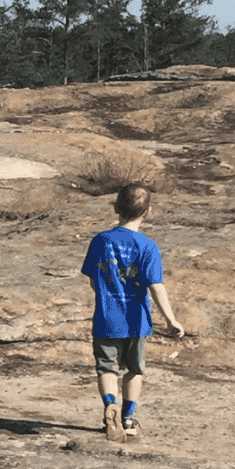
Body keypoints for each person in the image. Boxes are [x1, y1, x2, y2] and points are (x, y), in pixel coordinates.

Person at [81, 183, 184, 442]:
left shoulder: (101, 241)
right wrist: (171, 319)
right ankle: (127, 418)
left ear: (116, 207)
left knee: (107, 368)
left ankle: (110, 406)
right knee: (135, 370)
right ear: (148, 212)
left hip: (106, 318)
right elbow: (156, 286)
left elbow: (93, 279)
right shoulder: (148, 247)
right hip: (136, 321)